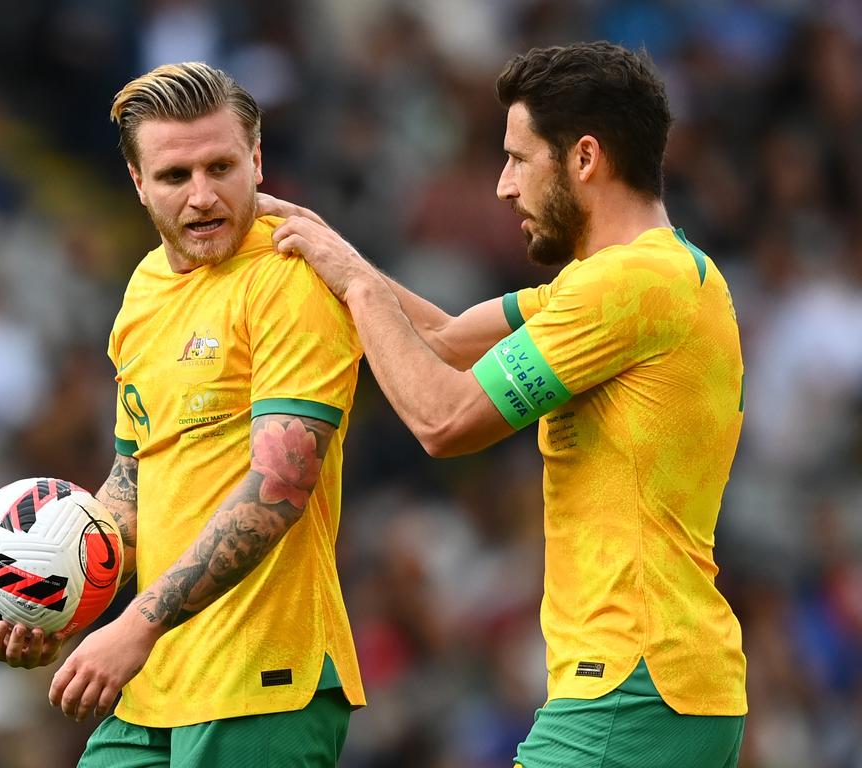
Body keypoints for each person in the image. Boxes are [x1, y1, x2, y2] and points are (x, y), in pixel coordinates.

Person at [261, 42, 747, 768]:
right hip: (671, 684)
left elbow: (444, 419)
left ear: (584, 158)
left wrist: (358, 291)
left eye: (520, 159)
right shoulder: (658, 273)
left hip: (631, 687)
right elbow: (451, 338)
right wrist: (335, 255)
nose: (502, 186)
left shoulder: (624, 288)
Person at [0, 62, 365, 767]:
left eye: (222, 167)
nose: (203, 196)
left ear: (257, 161)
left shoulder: (289, 280)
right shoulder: (145, 289)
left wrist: (137, 624)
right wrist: (64, 599)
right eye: (177, 176)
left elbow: (281, 487)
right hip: (157, 683)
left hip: (263, 683)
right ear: (138, 183)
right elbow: (131, 482)